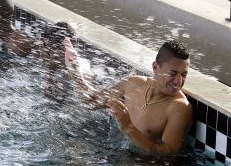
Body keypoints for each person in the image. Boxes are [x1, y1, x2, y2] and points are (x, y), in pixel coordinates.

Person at [63, 38, 193, 155]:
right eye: (173, 74)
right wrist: (74, 69)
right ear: (155, 67)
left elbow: (168, 155)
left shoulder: (179, 108)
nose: (179, 81)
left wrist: (128, 127)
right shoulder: (133, 84)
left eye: (184, 75)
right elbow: (91, 100)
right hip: (117, 160)